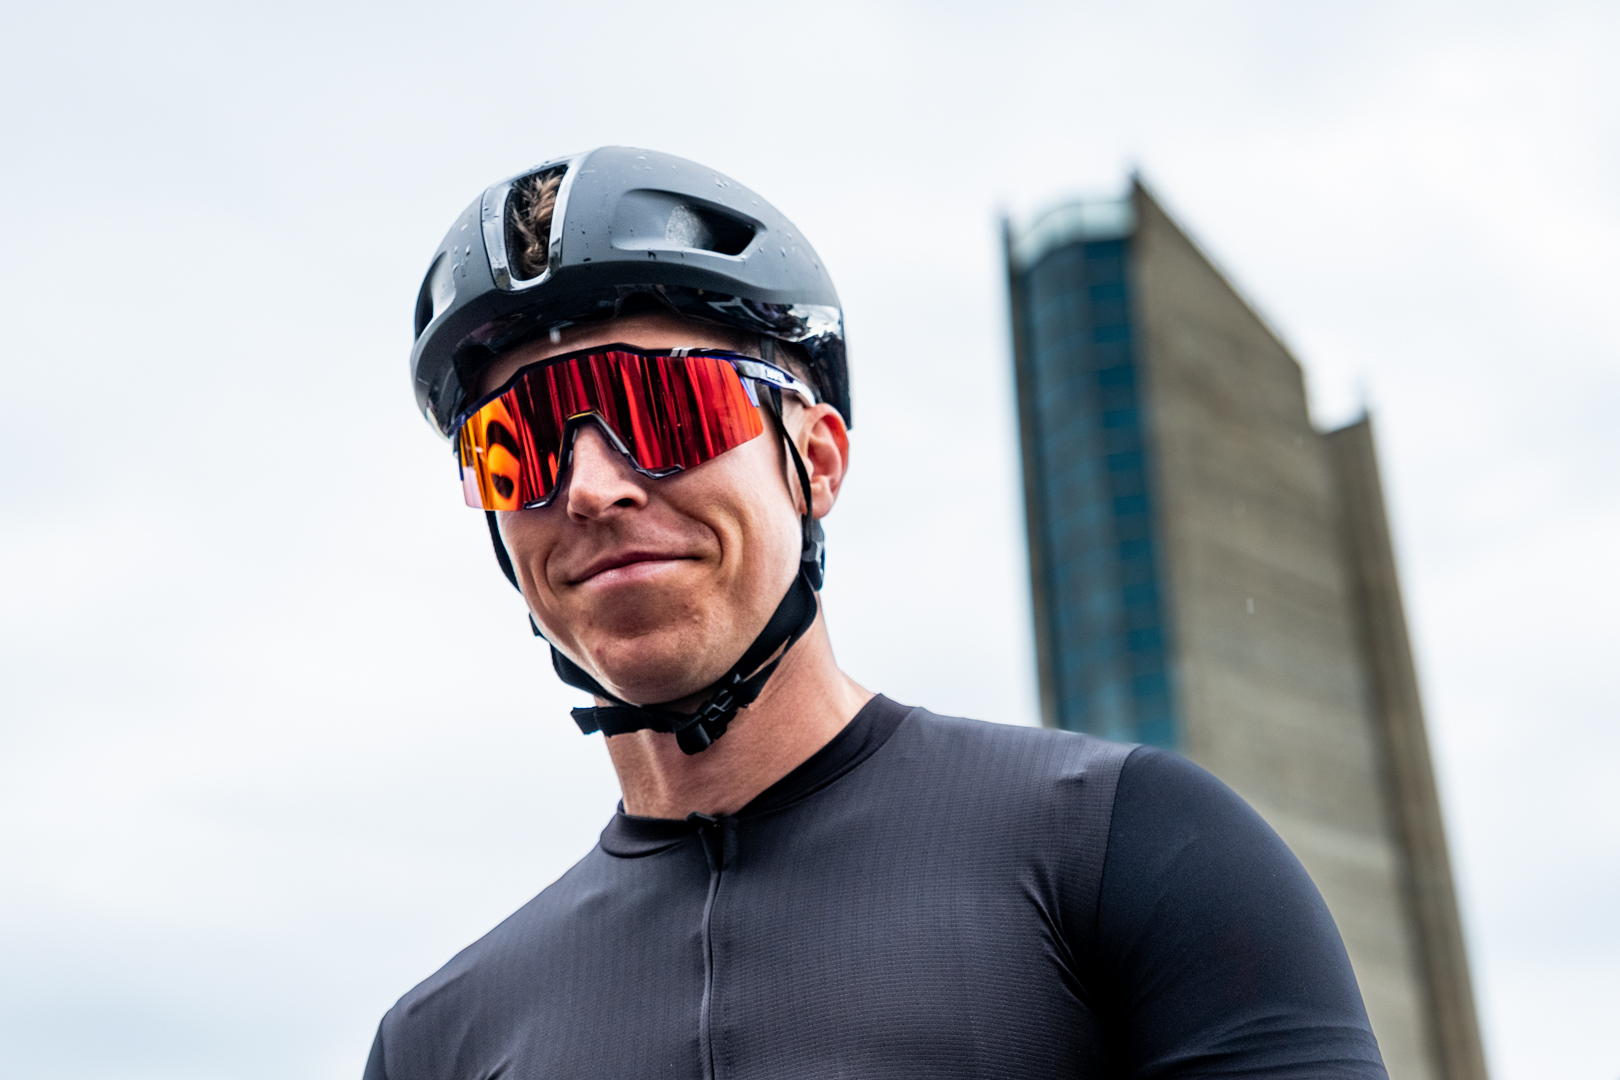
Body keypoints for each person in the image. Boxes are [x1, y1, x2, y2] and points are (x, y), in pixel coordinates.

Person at [367, 147, 1389, 1079]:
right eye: (516, 446)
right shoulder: (434, 1047)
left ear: (814, 460)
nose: (591, 487)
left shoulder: (1135, 852)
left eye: (661, 409)